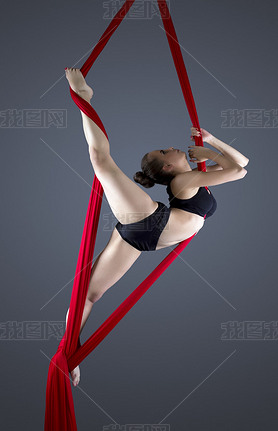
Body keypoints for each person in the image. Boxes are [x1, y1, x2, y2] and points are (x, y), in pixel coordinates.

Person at [64, 68, 249, 386]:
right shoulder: (186, 178)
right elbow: (238, 172)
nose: (172, 147)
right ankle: (83, 97)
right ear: (168, 166)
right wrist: (210, 150)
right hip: (151, 223)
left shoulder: (197, 175)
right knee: (101, 160)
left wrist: (212, 142)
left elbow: (241, 163)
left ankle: (69, 357)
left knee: (88, 295)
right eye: (166, 150)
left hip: (141, 240)